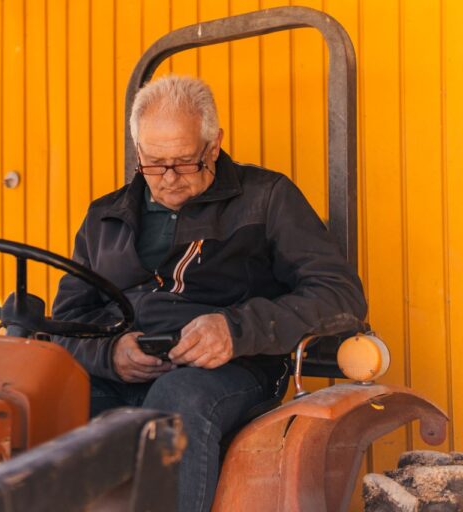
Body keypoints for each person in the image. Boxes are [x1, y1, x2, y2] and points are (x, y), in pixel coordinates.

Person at [51, 75, 366, 511]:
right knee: (41, 403)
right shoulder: (105, 216)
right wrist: (110, 354)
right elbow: (64, 323)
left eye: (184, 162)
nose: (168, 179)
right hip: (121, 374)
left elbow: (340, 296)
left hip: (233, 368)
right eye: (154, 163)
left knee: (178, 402)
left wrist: (235, 330)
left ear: (213, 146)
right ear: (138, 150)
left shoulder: (267, 198)